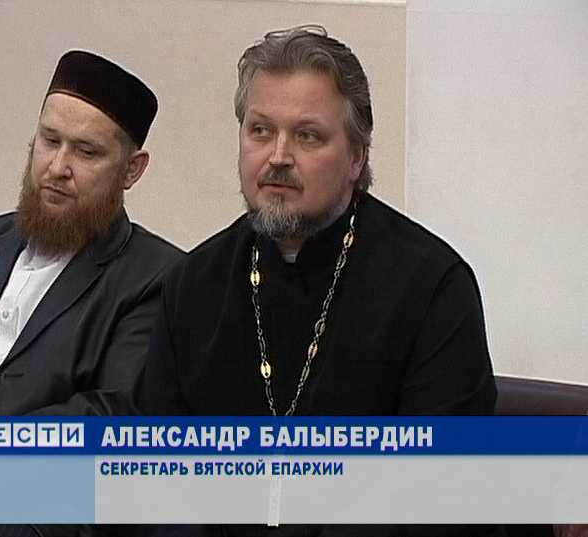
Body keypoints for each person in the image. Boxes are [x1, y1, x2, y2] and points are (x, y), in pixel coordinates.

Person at [138, 25, 502, 536]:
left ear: (356, 157)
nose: (278, 156)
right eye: (260, 130)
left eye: (307, 135)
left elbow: (437, 500)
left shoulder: (432, 287)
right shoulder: (191, 285)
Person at [0, 50, 183, 417]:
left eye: (86, 152)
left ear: (131, 169)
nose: (57, 167)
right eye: (50, 141)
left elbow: (113, 412)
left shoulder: (157, 278)